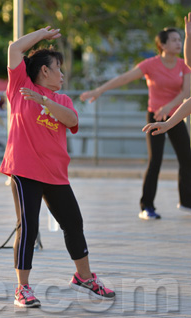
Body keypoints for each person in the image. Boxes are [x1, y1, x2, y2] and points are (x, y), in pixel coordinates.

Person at [0, 27, 115, 308]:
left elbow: (71, 120)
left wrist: (45, 102)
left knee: (73, 223)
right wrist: (41, 35)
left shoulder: (61, 99)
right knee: (27, 227)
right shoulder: (20, 86)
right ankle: (22, 288)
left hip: (55, 173)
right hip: (24, 169)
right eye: (57, 68)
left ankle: (84, 278)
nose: (62, 74)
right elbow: (15, 49)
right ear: (43, 71)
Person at [81, 26, 191, 220]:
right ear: (162, 45)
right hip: (155, 118)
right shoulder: (150, 64)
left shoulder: (182, 65)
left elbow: (186, 93)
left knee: (187, 159)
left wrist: (169, 106)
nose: (178, 43)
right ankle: (146, 206)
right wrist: (99, 90)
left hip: (175, 115)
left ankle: (186, 202)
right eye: (173, 40)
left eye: (179, 39)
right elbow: (124, 78)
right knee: (155, 160)